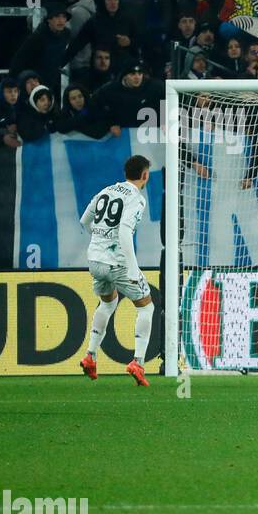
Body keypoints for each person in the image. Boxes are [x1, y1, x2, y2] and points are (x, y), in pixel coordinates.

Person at [78, 154, 154, 387]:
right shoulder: (137, 199)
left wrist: (101, 240)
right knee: (146, 307)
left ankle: (90, 356)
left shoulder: (106, 190)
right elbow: (124, 231)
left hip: (95, 260)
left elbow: (84, 221)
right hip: (118, 264)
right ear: (144, 175)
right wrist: (132, 268)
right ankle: (138, 362)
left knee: (108, 304)